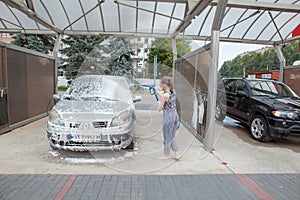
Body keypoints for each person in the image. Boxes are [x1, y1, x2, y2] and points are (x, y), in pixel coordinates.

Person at [157, 76, 180, 160]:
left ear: (164, 85)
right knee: (172, 135)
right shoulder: (173, 91)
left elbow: (159, 109)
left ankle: (166, 155)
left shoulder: (164, 96)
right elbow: (164, 95)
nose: (159, 84)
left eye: (160, 83)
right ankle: (176, 154)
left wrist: (159, 103)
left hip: (168, 116)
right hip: (175, 115)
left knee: (167, 136)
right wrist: (157, 91)